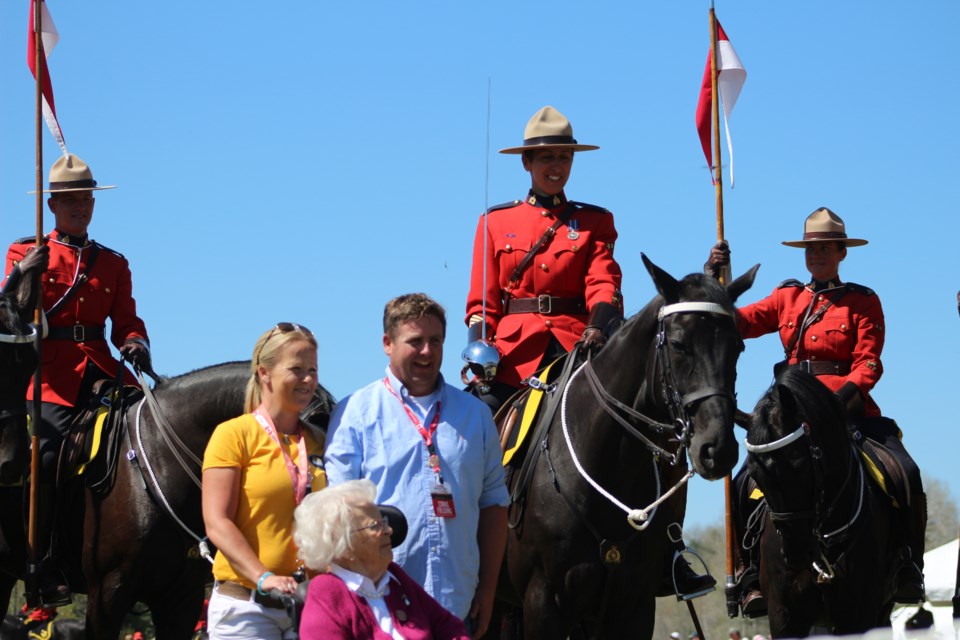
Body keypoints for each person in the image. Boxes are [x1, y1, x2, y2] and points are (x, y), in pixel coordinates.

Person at [706, 206, 926, 612]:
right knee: (744, 480)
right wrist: (715, 281)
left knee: (905, 472)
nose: (816, 255)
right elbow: (736, 323)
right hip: (789, 413)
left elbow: (869, 362)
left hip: (849, 409)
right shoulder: (788, 296)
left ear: (842, 252)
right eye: (810, 248)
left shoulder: (863, 301)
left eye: (825, 248)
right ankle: (750, 574)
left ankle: (910, 565)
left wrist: (837, 402)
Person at [3, 153, 151, 607]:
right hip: (48, 375)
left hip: (103, 371)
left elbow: (127, 320)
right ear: (52, 204)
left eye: (86, 198)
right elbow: (7, 316)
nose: (80, 206)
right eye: (70, 199)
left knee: (152, 436)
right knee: (46, 458)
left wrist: (135, 342)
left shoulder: (112, 263)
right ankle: (42, 564)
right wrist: (22, 278)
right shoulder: (23, 252)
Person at [324, 293, 509, 637]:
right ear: (387, 344)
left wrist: (488, 589)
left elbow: (494, 504)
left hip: (457, 609)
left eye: (435, 341)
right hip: (383, 611)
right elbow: (340, 512)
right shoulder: (355, 413)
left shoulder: (477, 415)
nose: (427, 351)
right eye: (415, 341)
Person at [463, 105, 623, 412]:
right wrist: (479, 349)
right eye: (547, 157)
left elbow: (604, 283)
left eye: (565, 157)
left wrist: (597, 328)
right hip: (514, 357)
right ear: (527, 162)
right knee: (473, 421)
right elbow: (483, 302)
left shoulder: (595, 221)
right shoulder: (494, 222)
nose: (557, 166)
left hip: (577, 347)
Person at [202, 323, 327, 639]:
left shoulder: (322, 442)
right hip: (247, 612)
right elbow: (217, 522)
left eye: (312, 369)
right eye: (297, 369)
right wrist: (264, 577)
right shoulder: (233, 435)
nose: (309, 379)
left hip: (310, 608)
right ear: (264, 373)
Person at [294, 479, 470, 639]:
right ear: (345, 546)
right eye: (375, 526)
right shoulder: (327, 592)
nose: (389, 530)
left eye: (384, 522)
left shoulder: (394, 577)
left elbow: (448, 626)